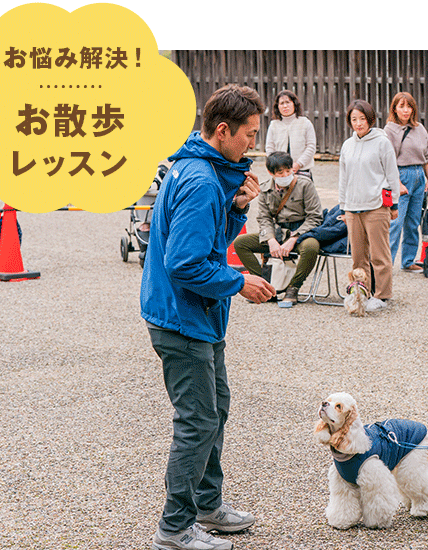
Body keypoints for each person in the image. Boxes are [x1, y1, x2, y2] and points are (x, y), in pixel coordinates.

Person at [140, 84, 276, 550]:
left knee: (215, 409)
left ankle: (207, 504)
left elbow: (208, 240)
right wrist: (241, 282)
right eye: (249, 135)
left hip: (196, 317)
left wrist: (237, 208)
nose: (252, 145)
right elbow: (186, 263)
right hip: (183, 319)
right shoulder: (199, 180)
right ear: (223, 130)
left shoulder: (200, 170)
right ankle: (174, 529)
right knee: (198, 420)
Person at [233, 151, 323, 305]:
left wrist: (294, 238)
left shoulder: (304, 185)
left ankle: (293, 288)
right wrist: (271, 240)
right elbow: (264, 218)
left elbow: (315, 217)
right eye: (281, 172)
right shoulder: (265, 189)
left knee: (311, 247)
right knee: (240, 243)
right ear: (271, 173)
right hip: (278, 232)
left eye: (288, 171)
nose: (286, 175)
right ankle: (265, 287)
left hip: (301, 232)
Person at [338, 98, 400, 312]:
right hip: (353, 207)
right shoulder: (347, 145)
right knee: (358, 256)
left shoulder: (382, 142)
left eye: (362, 118)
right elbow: (343, 178)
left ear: (370, 119)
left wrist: (394, 204)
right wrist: (343, 206)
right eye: (354, 119)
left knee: (379, 255)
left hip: (376, 206)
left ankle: (382, 295)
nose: (358, 123)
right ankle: (360, 291)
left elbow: (392, 174)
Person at [384, 91, 428, 272]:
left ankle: (408, 260)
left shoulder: (419, 128)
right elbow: (388, 160)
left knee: (413, 222)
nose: (406, 110)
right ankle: (386, 264)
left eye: (409, 106)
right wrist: (397, 182)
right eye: (401, 106)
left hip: (419, 174)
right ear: (394, 109)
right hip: (401, 174)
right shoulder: (389, 130)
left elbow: (427, 155)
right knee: (395, 222)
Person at [265, 90, 317, 179]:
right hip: (280, 173)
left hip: (302, 171)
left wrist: (298, 164)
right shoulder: (274, 125)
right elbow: (270, 148)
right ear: (277, 106)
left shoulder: (305, 123)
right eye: (281, 103)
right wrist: (277, 166)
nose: (285, 106)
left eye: (288, 102)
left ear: (294, 104)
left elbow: (311, 147)